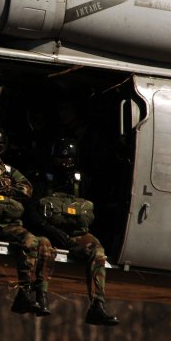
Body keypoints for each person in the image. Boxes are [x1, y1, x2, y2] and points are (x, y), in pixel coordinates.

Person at [23, 138, 119, 326]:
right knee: (43, 247)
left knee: (97, 252)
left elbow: (94, 210)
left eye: (69, 160)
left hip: (76, 233)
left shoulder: (82, 181)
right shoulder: (41, 180)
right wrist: (50, 230)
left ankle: (97, 305)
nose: (65, 164)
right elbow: (30, 210)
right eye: (61, 159)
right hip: (48, 232)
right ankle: (40, 295)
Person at [0, 126, 55, 317]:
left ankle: (25, 291)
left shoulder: (10, 170)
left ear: (3, 149)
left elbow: (27, 189)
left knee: (31, 241)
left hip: (9, 224)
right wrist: (8, 186)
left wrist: (0, 187)